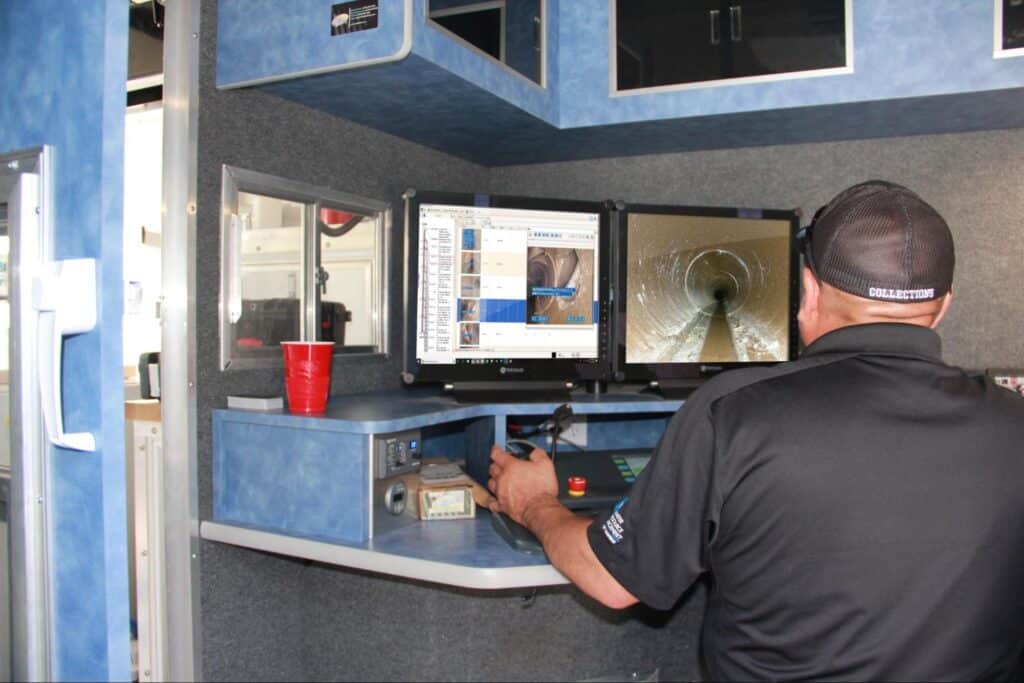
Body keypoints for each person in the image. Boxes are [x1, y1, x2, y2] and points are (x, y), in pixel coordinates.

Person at [487, 180, 1024, 680]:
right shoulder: (1013, 419)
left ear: (809, 291)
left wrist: (535, 504)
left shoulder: (732, 413)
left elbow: (611, 581)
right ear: (944, 307)